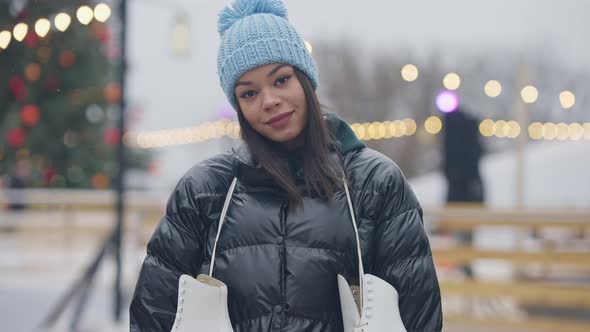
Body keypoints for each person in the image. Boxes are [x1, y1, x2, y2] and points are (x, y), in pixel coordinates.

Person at [130, 0, 442, 331]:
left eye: (281, 80)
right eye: (249, 94)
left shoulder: (375, 182)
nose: (269, 101)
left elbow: (418, 315)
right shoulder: (205, 190)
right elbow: (154, 313)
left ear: (305, 80)